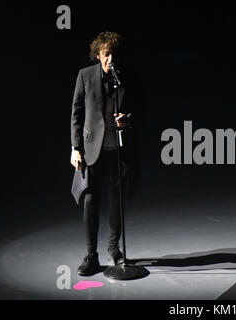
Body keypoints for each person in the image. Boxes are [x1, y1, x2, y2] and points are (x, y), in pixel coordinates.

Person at [70, 31, 139, 276]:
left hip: (118, 149)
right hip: (91, 150)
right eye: (106, 53)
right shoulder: (85, 76)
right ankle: (91, 255)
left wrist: (127, 119)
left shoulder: (126, 78)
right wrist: (75, 148)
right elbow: (76, 113)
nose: (111, 58)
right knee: (90, 200)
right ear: (98, 54)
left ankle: (114, 249)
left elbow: (141, 109)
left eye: (114, 54)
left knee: (117, 200)